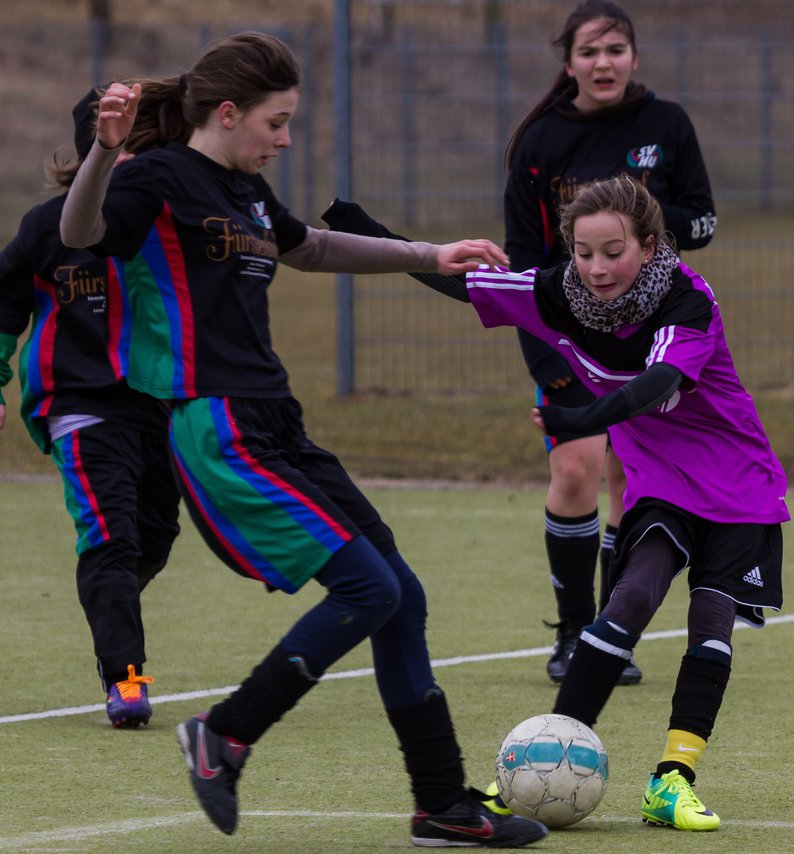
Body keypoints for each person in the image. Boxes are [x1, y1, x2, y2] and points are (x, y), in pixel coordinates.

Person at [59, 33, 546, 848]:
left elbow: (311, 247)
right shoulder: (156, 177)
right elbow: (80, 234)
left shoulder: (245, 191)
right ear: (227, 113)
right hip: (215, 425)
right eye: (276, 123)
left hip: (275, 419)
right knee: (368, 592)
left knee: (402, 596)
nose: (285, 139)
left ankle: (439, 805)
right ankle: (227, 734)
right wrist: (103, 156)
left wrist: (430, 253)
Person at [324, 174, 786, 832]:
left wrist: (584, 415)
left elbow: (657, 383)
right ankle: (533, 769)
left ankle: (673, 781)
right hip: (660, 476)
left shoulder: (687, 298)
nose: (597, 268)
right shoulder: (557, 293)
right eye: (583, 251)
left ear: (650, 246)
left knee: (709, 626)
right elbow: (461, 282)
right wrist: (360, 226)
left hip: (738, 480)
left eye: (613, 251)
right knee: (629, 599)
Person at [504, 0, 717, 686]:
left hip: (649, 334)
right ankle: (571, 632)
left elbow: (706, 223)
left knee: (633, 479)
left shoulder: (666, 124)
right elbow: (520, 265)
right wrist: (545, 356)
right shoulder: (539, 142)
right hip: (568, 336)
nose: (604, 63)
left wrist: (634, 216)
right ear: (568, 63)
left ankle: (609, 636)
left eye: (616, 49)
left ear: (634, 58)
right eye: (589, 52)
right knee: (575, 470)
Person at [0, 88, 181, 730]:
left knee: (156, 533)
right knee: (110, 536)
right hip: (77, 405)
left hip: (155, 405)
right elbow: (5, 303)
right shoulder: (50, 228)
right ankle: (125, 678)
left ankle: (108, 600)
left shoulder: (161, 222)